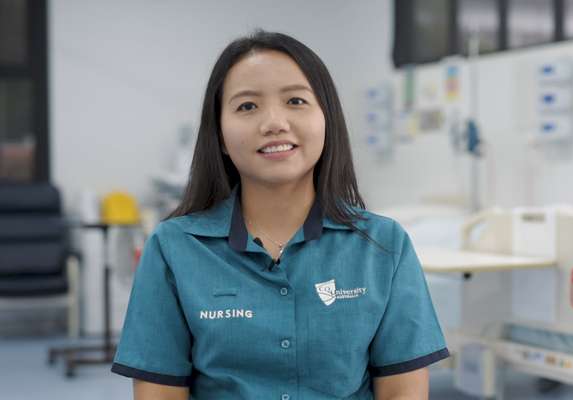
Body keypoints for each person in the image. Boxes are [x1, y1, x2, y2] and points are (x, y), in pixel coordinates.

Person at [111, 30, 449, 400]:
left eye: (295, 100)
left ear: (327, 120)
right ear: (220, 136)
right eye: (247, 106)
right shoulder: (174, 248)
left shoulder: (384, 245)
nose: (274, 122)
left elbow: (403, 392)